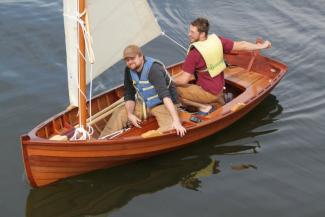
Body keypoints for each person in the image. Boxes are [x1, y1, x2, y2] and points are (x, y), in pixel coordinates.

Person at [173, 17, 272, 115]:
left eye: (192, 32)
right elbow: (242, 45)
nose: (189, 34)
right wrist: (262, 46)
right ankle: (218, 101)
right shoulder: (217, 41)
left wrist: (168, 80)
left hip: (208, 92)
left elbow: (183, 80)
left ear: (202, 34)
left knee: (172, 89)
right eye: (189, 31)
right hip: (219, 89)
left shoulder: (194, 54)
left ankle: (204, 107)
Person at [100, 45, 186, 138]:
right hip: (146, 104)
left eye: (132, 58)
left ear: (141, 56)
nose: (130, 62)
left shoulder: (154, 69)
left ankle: (144, 139)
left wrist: (176, 121)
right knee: (120, 112)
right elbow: (129, 93)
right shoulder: (129, 70)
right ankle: (102, 141)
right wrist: (130, 114)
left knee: (171, 128)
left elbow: (165, 95)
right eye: (127, 60)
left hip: (164, 105)